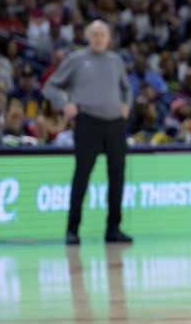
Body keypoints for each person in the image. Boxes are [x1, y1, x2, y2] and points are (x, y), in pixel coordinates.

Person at [42, 20, 133, 245]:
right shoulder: (76, 59)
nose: (99, 38)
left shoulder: (116, 60)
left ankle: (114, 228)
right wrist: (64, 103)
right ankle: (72, 229)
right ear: (87, 36)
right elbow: (50, 86)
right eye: (95, 34)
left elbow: (127, 88)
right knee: (82, 175)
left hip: (115, 123)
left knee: (117, 176)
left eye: (103, 34)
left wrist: (127, 105)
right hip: (88, 121)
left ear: (109, 38)